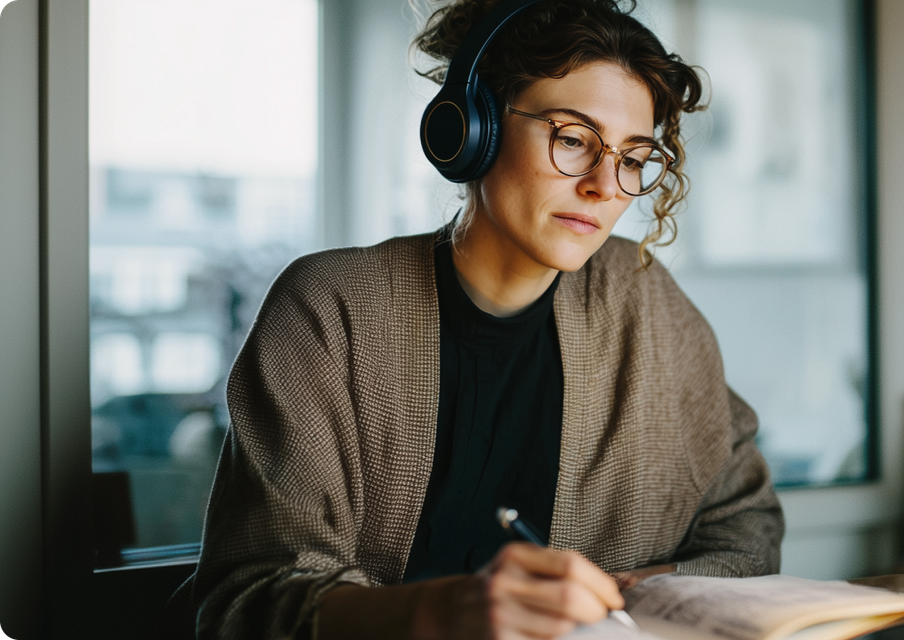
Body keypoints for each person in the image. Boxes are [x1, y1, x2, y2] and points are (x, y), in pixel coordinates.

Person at [192, 0, 784, 638]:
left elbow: (747, 525)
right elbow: (245, 603)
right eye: (573, 139)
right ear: (474, 129)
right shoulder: (333, 309)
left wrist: (635, 595)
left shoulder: (647, 304)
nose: (606, 186)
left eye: (634, 158)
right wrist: (443, 613)